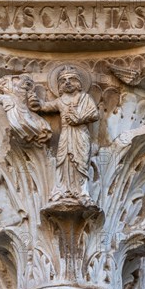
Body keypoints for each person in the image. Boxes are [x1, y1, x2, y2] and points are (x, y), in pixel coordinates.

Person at [29, 65, 99, 203]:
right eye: (63, 80)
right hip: (66, 135)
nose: (67, 82)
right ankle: (63, 190)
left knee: (81, 161)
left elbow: (94, 114)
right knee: (63, 161)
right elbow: (45, 107)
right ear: (60, 85)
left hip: (80, 134)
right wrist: (35, 101)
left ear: (78, 82)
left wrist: (79, 118)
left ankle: (82, 191)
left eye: (71, 79)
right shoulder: (61, 101)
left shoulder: (84, 97)